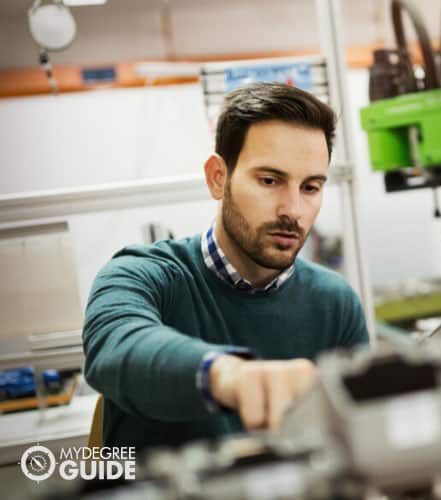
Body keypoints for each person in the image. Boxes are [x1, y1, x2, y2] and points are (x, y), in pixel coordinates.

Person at [82, 82, 369, 451]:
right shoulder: (142, 276)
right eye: (270, 180)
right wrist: (226, 374)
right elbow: (116, 346)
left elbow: (359, 436)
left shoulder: (336, 303)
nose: (293, 210)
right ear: (218, 177)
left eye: (310, 187)